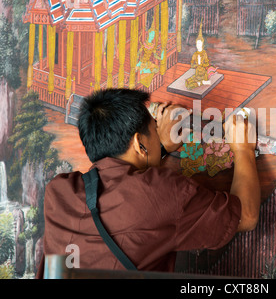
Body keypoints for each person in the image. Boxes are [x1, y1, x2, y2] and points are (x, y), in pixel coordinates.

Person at [36, 88, 260, 277]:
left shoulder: (58, 192)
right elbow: (246, 216)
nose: (159, 132)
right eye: (155, 129)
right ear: (138, 142)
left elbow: (130, 197)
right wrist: (242, 148)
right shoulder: (163, 192)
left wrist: (158, 149)